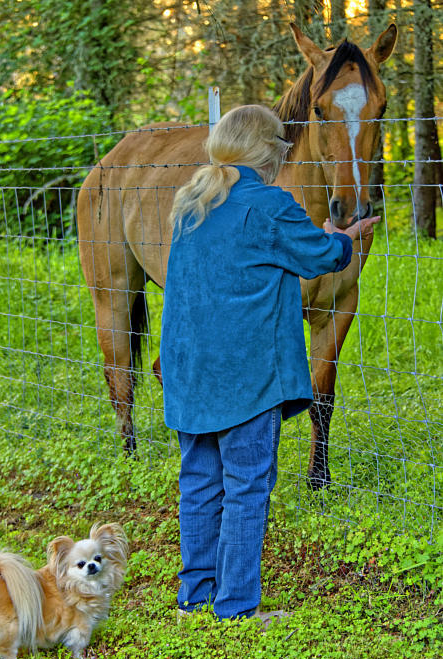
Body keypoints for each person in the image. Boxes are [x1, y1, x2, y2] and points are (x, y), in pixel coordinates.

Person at [160, 105, 379, 625]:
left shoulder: (192, 202)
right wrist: (345, 238)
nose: (285, 154)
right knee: (247, 486)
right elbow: (320, 257)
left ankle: (196, 596)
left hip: (191, 372)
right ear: (267, 152)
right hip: (247, 375)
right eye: (282, 145)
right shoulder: (268, 204)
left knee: (199, 483)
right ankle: (236, 606)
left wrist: (324, 240)